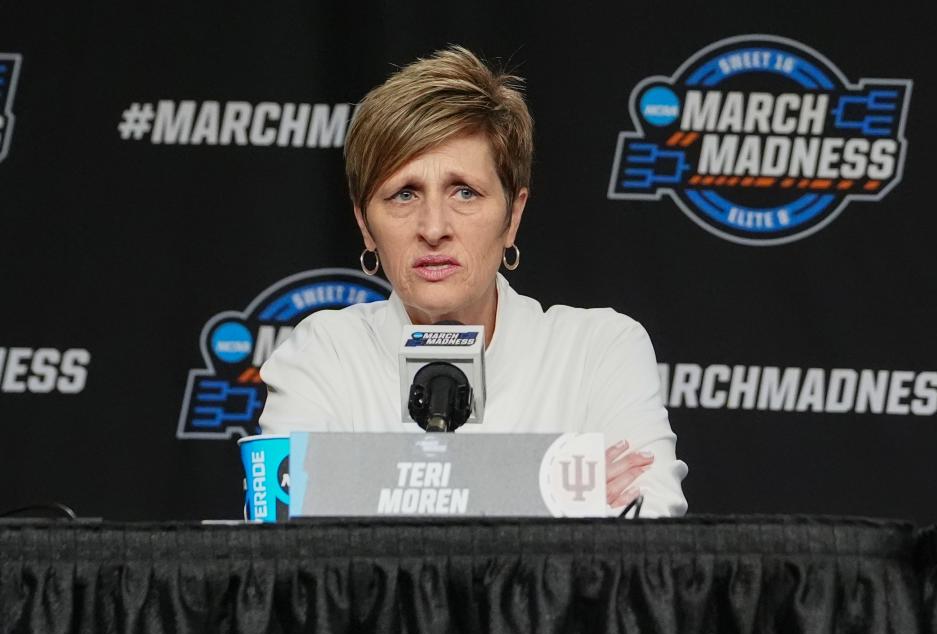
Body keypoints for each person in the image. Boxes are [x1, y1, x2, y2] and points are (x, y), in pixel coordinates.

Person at [259, 46, 687, 517]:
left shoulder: (599, 350)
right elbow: (289, 545)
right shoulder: (322, 355)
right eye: (404, 194)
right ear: (365, 224)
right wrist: (562, 491)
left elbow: (647, 529)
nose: (434, 227)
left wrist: (368, 490)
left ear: (513, 215)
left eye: (465, 192)